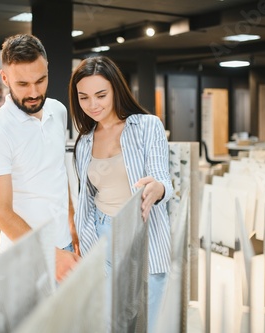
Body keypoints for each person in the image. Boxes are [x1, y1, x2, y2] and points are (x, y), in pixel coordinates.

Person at [69, 55, 173, 331]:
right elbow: (87, 197)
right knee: (110, 320)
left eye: (101, 95)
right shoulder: (84, 142)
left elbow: (162, 178)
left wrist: (158, 189)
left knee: (153, 319)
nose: (93, 105)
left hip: (145, 230)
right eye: (84, 97)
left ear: (116, 89)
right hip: (104, 234)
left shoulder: (147, 126)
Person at [0, 34, 80, 282]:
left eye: (41, 80)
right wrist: (50, 254)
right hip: (23, 260)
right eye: (22, 84)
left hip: (65, 249)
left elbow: (58, 170)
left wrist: (71, 220)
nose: (34, 92)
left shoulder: (58, 110)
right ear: (5, 78)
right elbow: (1, 212)